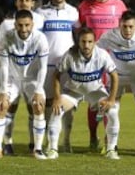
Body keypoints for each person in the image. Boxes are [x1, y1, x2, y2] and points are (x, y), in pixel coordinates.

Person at [46, 27, 120, 159]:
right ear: (78, 42)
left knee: (113, 112)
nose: (86, 45)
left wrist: (111, 99)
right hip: (73, 92)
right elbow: (56, 74)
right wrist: (57, 98)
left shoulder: (102, 54)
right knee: (57, 110)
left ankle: (111, 150)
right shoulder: (69, 55)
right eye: (83, 42)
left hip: (95, 92)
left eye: (90, 42)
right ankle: (52, 149)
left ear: (94, 42)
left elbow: (114, 75)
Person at [0, 9, 49, 159]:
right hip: (12, 80)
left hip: (32, 79)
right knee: (1, 105)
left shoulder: (40, 38)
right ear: (15, 24)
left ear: (32, 24)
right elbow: (4, 66)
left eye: (27, 25)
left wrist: (39, 90)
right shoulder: (6, 39)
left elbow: (43, 67)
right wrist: (2, 90)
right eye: (20, 25)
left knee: (38, 106)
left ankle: (38, 150)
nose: (24, 29)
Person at [77, 0, 127, 152]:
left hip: (113, 60)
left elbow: (128, 27)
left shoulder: (119, 5)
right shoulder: (85, 6)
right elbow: (78, 30)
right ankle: (93, 137)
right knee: (93, 101)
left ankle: (109, 140)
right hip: (91, 61)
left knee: (108, 100)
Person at [97, 10, 135, 158]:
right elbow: (95, 51)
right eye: (125, 26)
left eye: (131, 26)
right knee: (113, 110)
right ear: (119, 25)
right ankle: (112, 146)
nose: (128, 30)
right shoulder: (110, 35)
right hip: (117, 77)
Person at [0, 0, 44, 155]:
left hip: (32, 73)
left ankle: (33, 145)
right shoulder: (6, 24)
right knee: (10, 109)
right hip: (13, 74)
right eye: (21, 0)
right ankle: (7, 144)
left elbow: (39, 45)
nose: (24, 2)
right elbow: (0, 48)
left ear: (32, 3)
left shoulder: (40, 20)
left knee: (35, 108)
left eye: (27, 0)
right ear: (16, 2)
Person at [35, 0, 80, 153]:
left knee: (66, 103)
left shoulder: (73, 12)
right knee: (47, 103)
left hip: (67, 65)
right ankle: (48, 140)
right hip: (46, 65)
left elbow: (78, 34)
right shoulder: (40, 12)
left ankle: (66, 140)